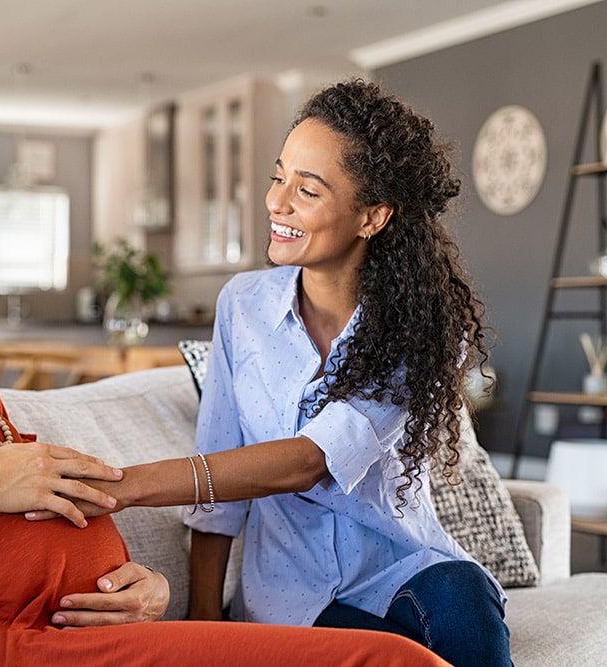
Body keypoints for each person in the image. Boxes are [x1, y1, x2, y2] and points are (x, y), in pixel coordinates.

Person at [0, 142, 449, 666]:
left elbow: (44, 508)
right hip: (8, 649)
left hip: (93, 632)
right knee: (391, 662)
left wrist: (148, 586)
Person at [56, 80, 512, 667]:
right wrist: (203, 624)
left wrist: (120, 486)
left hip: (401, 565)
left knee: (463, 598)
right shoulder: (242, 305)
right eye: (279, 177)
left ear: (372, 216)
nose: (277, 202)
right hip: (294, 594)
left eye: (308, 189)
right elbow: (219, 472)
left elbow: (307, 460)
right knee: (383, 654)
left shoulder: (423, 328)